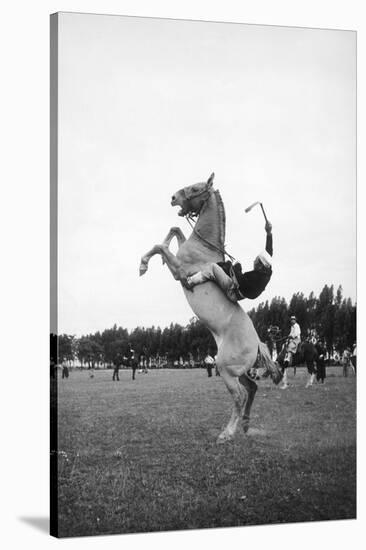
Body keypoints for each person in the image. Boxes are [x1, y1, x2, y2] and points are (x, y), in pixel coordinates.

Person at [185, 221, 273, 302]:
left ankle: (190, 282)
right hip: (239, 291)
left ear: (261, 265)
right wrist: (269, 233)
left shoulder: (255, 278)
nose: (254, 261)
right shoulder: (266, 271)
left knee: (212, 267)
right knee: (227, 265)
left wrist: (237, 266)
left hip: (233, 292)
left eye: (256, 261)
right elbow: (268, 253)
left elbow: (240, 281)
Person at [280, 315, 301, 389]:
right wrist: (288, 337)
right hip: (292, 339)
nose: (292, 320)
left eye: (293, 319)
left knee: (291, 346)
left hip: (296, 339)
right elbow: (290, 334)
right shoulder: (292, 327)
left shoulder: (296, 326)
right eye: (291, 319)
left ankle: (288, 357)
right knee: (285, 344)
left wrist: (292, 336)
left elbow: (297, 333)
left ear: (295, 320)